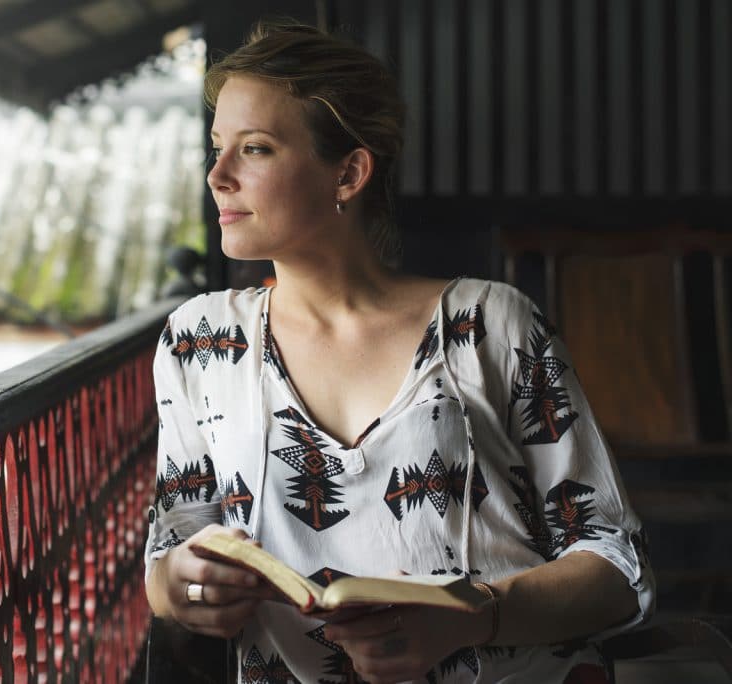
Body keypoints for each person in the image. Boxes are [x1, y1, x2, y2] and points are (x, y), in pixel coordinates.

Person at [144, 20, 653, 684]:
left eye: (256, 149)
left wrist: (475, 615)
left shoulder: (488, 325)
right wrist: (184, 586)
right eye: (218, 148)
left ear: (349, 173)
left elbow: (618, 564)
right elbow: (170, 556)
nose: (218, 176)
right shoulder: (200, 345)